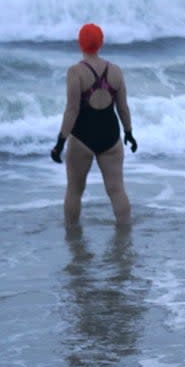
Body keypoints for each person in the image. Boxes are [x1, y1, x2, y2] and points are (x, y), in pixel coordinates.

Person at [51, 23, 137, 225]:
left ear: (80, 43)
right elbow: (123, 107)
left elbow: (72, 110)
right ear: (101, 43)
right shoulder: (115, 71)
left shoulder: (76, 72)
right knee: (117, 190)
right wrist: (129, 133)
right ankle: (125, 234)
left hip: (82, 138)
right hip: (111, 136)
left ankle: (72, 236)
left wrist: (60, 142)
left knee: (74, 190)